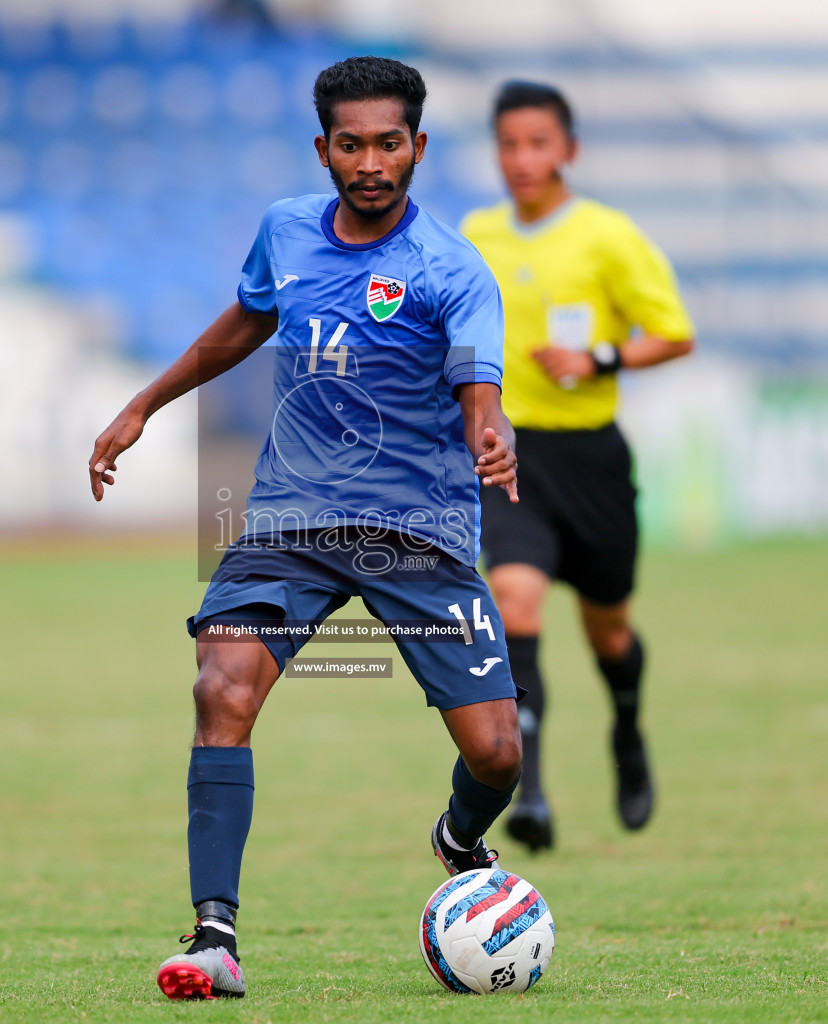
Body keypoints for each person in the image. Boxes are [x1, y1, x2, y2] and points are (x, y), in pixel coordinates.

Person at [89, 57, 524, 1001]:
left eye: (390, 144)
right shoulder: (285, 231)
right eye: (352, 144)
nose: (371, 162)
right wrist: (146, 404)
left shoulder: (452, 270)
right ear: (323, 147)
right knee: (222, 687)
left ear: (418, 147)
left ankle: (456, 837)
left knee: (497, 752)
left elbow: (479, 391)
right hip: (290, 519)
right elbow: (246, 321)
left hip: (420, 528)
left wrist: (492, 432)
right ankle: (214, 935)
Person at [461, 81, 695, 850]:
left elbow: (672, 333)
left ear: (569, 150)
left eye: (538, 143)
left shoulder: (607, 236)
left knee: (610, 633)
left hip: (590, 457)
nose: (522, 159)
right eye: (509, 144)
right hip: (510, 454)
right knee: (515, 603)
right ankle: (529, 792)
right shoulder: (474, 235)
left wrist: (596, 357)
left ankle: (627, 731)